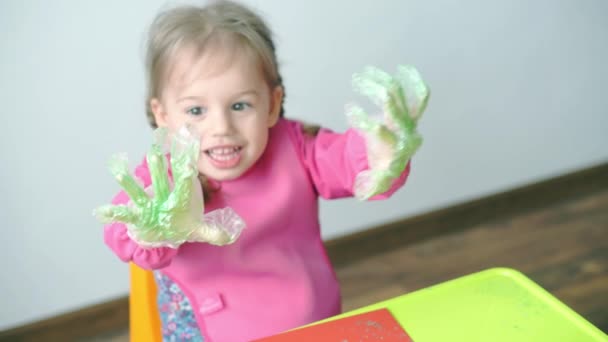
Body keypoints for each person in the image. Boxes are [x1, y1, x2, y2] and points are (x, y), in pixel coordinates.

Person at [95, 1, 429, 341]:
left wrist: (378, 152)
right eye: (196, 110)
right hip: (209, 332)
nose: (221, 127)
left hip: (309, 319)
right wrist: (152, 226)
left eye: (240, 105)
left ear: (271, 104)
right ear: (163, 115)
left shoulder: (294, 146)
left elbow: (344, 160)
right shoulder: (162, 177)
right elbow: (129, 230)